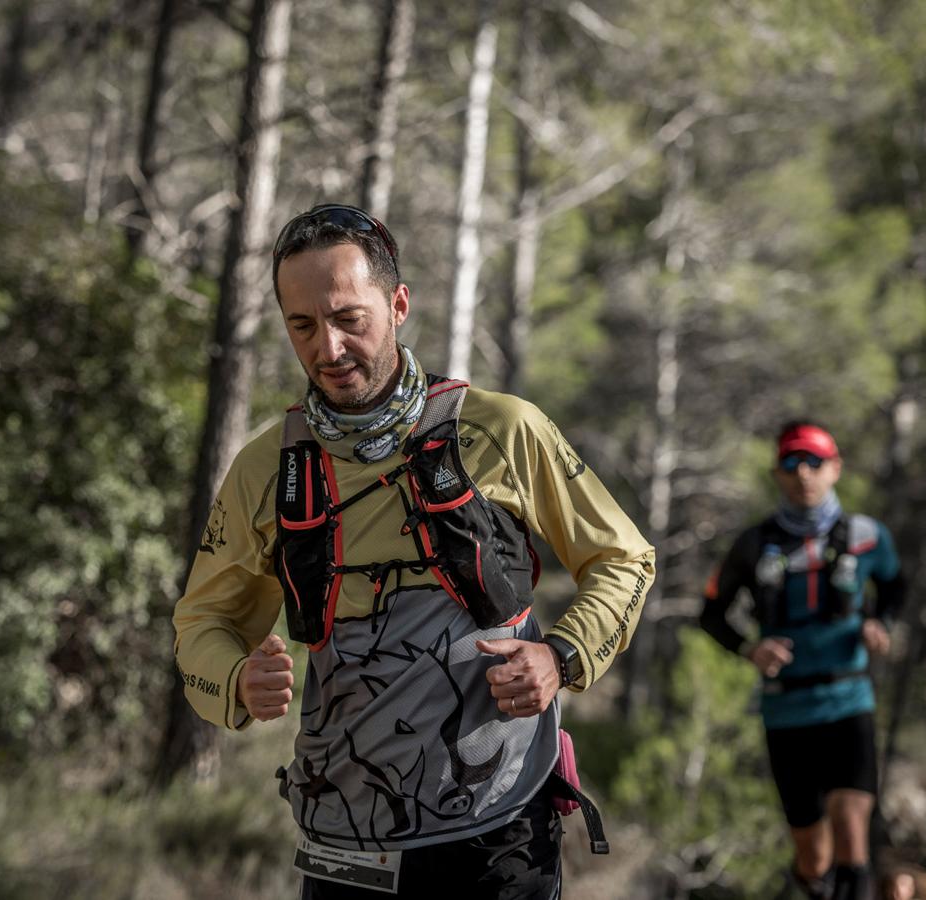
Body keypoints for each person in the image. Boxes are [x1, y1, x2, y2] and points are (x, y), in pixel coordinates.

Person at [172, 203, 656, 898]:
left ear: (398, 304)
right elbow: (200, 623)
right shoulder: (266, 469)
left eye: (348, 319)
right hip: (344, 839)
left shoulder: (502, 428)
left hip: (501, 830)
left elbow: (625, 560)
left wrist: (563, 656)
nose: (327, 349)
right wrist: (237, 681)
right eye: (302, 326)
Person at [700, 422, 906, 900]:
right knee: (813, 856)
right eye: (792, 463)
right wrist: (751, 647)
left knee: (852, 828)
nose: (804, 474)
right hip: (787, 711)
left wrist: (883, 624)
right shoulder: (753, 545)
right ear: (777, 473)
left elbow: (896, 586)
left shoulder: (868, 536)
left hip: (849, 700)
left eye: (814, 462)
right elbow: (710, 614)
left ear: (836, 468)